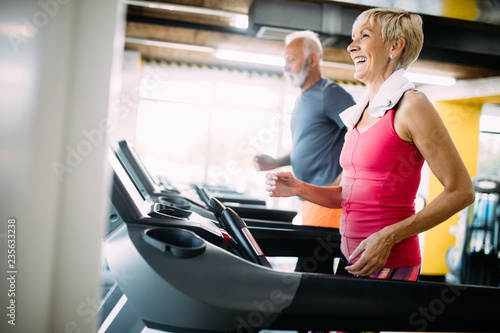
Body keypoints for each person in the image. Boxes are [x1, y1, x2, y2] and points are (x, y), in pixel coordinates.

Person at [265, 8, 475, 281]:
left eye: (363, 36)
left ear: (395, 46)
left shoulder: (411, 105)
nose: (352, 47)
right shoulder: (362, 111)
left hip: (389, 262)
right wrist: (300, 188)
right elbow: (351, 195)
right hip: (350, 258)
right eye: (353, 38)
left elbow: (461, 191)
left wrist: (389, 236)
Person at [255, 30, 355, 274]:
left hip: (328, 201)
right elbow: (308, 143)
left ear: (312, 60)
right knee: (312, 268)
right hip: (308, 199)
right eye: (285, 62)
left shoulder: (329, 93)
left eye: (291, 60)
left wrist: (344, 178)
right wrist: (277, 161)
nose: (285, 67)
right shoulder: (302, 99)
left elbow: (362, 132)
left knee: (310, 270)